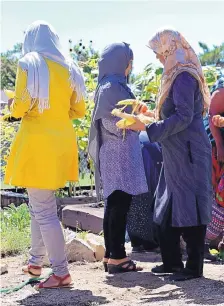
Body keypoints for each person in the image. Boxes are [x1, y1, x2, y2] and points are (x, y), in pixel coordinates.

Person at [120, 28, 212, 281]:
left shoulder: (183, 77)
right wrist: (148, 116)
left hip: (189, 152)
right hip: (177, 152)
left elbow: (183, 117)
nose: (158, 58)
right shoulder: (176, 75)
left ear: (170, 49)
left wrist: (147, 127)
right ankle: (172, 262)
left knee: (191, 207)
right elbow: (177, 115)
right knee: (166, 205)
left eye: (160, 53)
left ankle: (194, 267)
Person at [4, 21, 86, 289]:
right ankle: (36, 261)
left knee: (43, 209)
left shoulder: (29, 62)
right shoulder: (70, 68)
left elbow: (23, 104)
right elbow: (78, 111)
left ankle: (61, 272)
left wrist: (10, 106)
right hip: (62, 142)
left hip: (37, 143)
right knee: (40, 206)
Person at [88, 42, 148, 274]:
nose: (130, 67)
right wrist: (138, 122)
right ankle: (118, 257)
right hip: (118, 153)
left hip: (114, 153)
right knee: (119, 204)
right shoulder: (113, 87)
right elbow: (112, 122)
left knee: (114, 204)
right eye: (129, 61)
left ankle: (112, 255)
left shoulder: (107, 85)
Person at [127, 131, 162, 252]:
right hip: (146, 156)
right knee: (145, 199)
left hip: (140, 154)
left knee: (137, 200)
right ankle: (148, 241)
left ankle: (138, 242)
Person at [204, 77, 224, 260]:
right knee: (215, 192)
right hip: (215, 146)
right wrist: (219, 145)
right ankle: (202, 241)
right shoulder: (222, 89)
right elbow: (213, 115)